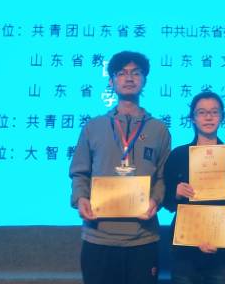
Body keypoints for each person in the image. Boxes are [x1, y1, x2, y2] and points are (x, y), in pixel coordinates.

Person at [69, 51, 172, 284]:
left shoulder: (158, 129)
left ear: (144, 80)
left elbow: (162, 177)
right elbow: (80, 172)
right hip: (99, 236)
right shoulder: (93, 127)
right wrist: (81, 199)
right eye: (122, 73)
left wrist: (155, 200)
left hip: (143, 237)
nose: (129, 78)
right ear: (111, 81)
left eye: (136, 73)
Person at [163, 91, 225, 284]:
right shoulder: (178, 155)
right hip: (185, 248)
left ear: (222, 117)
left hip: (221, 248)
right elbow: (166, 201)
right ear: (193, 118)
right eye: (202, 112)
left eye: (214, 112)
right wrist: (175, 193)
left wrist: (221, 238)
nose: (208, 117)